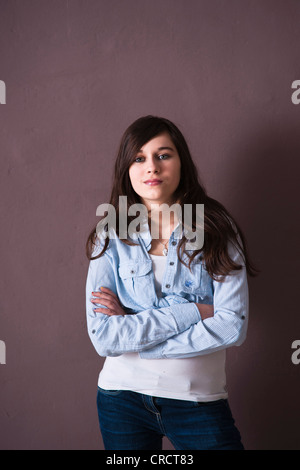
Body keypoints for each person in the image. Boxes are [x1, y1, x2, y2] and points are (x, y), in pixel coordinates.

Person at [85, 116, 257, 450]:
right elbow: (104, 338)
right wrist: (193, 311)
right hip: (121, 399)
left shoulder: (216, 228)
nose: (151, 167)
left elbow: (232, 326)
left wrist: (135, 329)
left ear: (182, 162)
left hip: (197, 402)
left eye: (163, 155)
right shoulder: (110, 234)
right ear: (127, 169)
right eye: (139, 158)